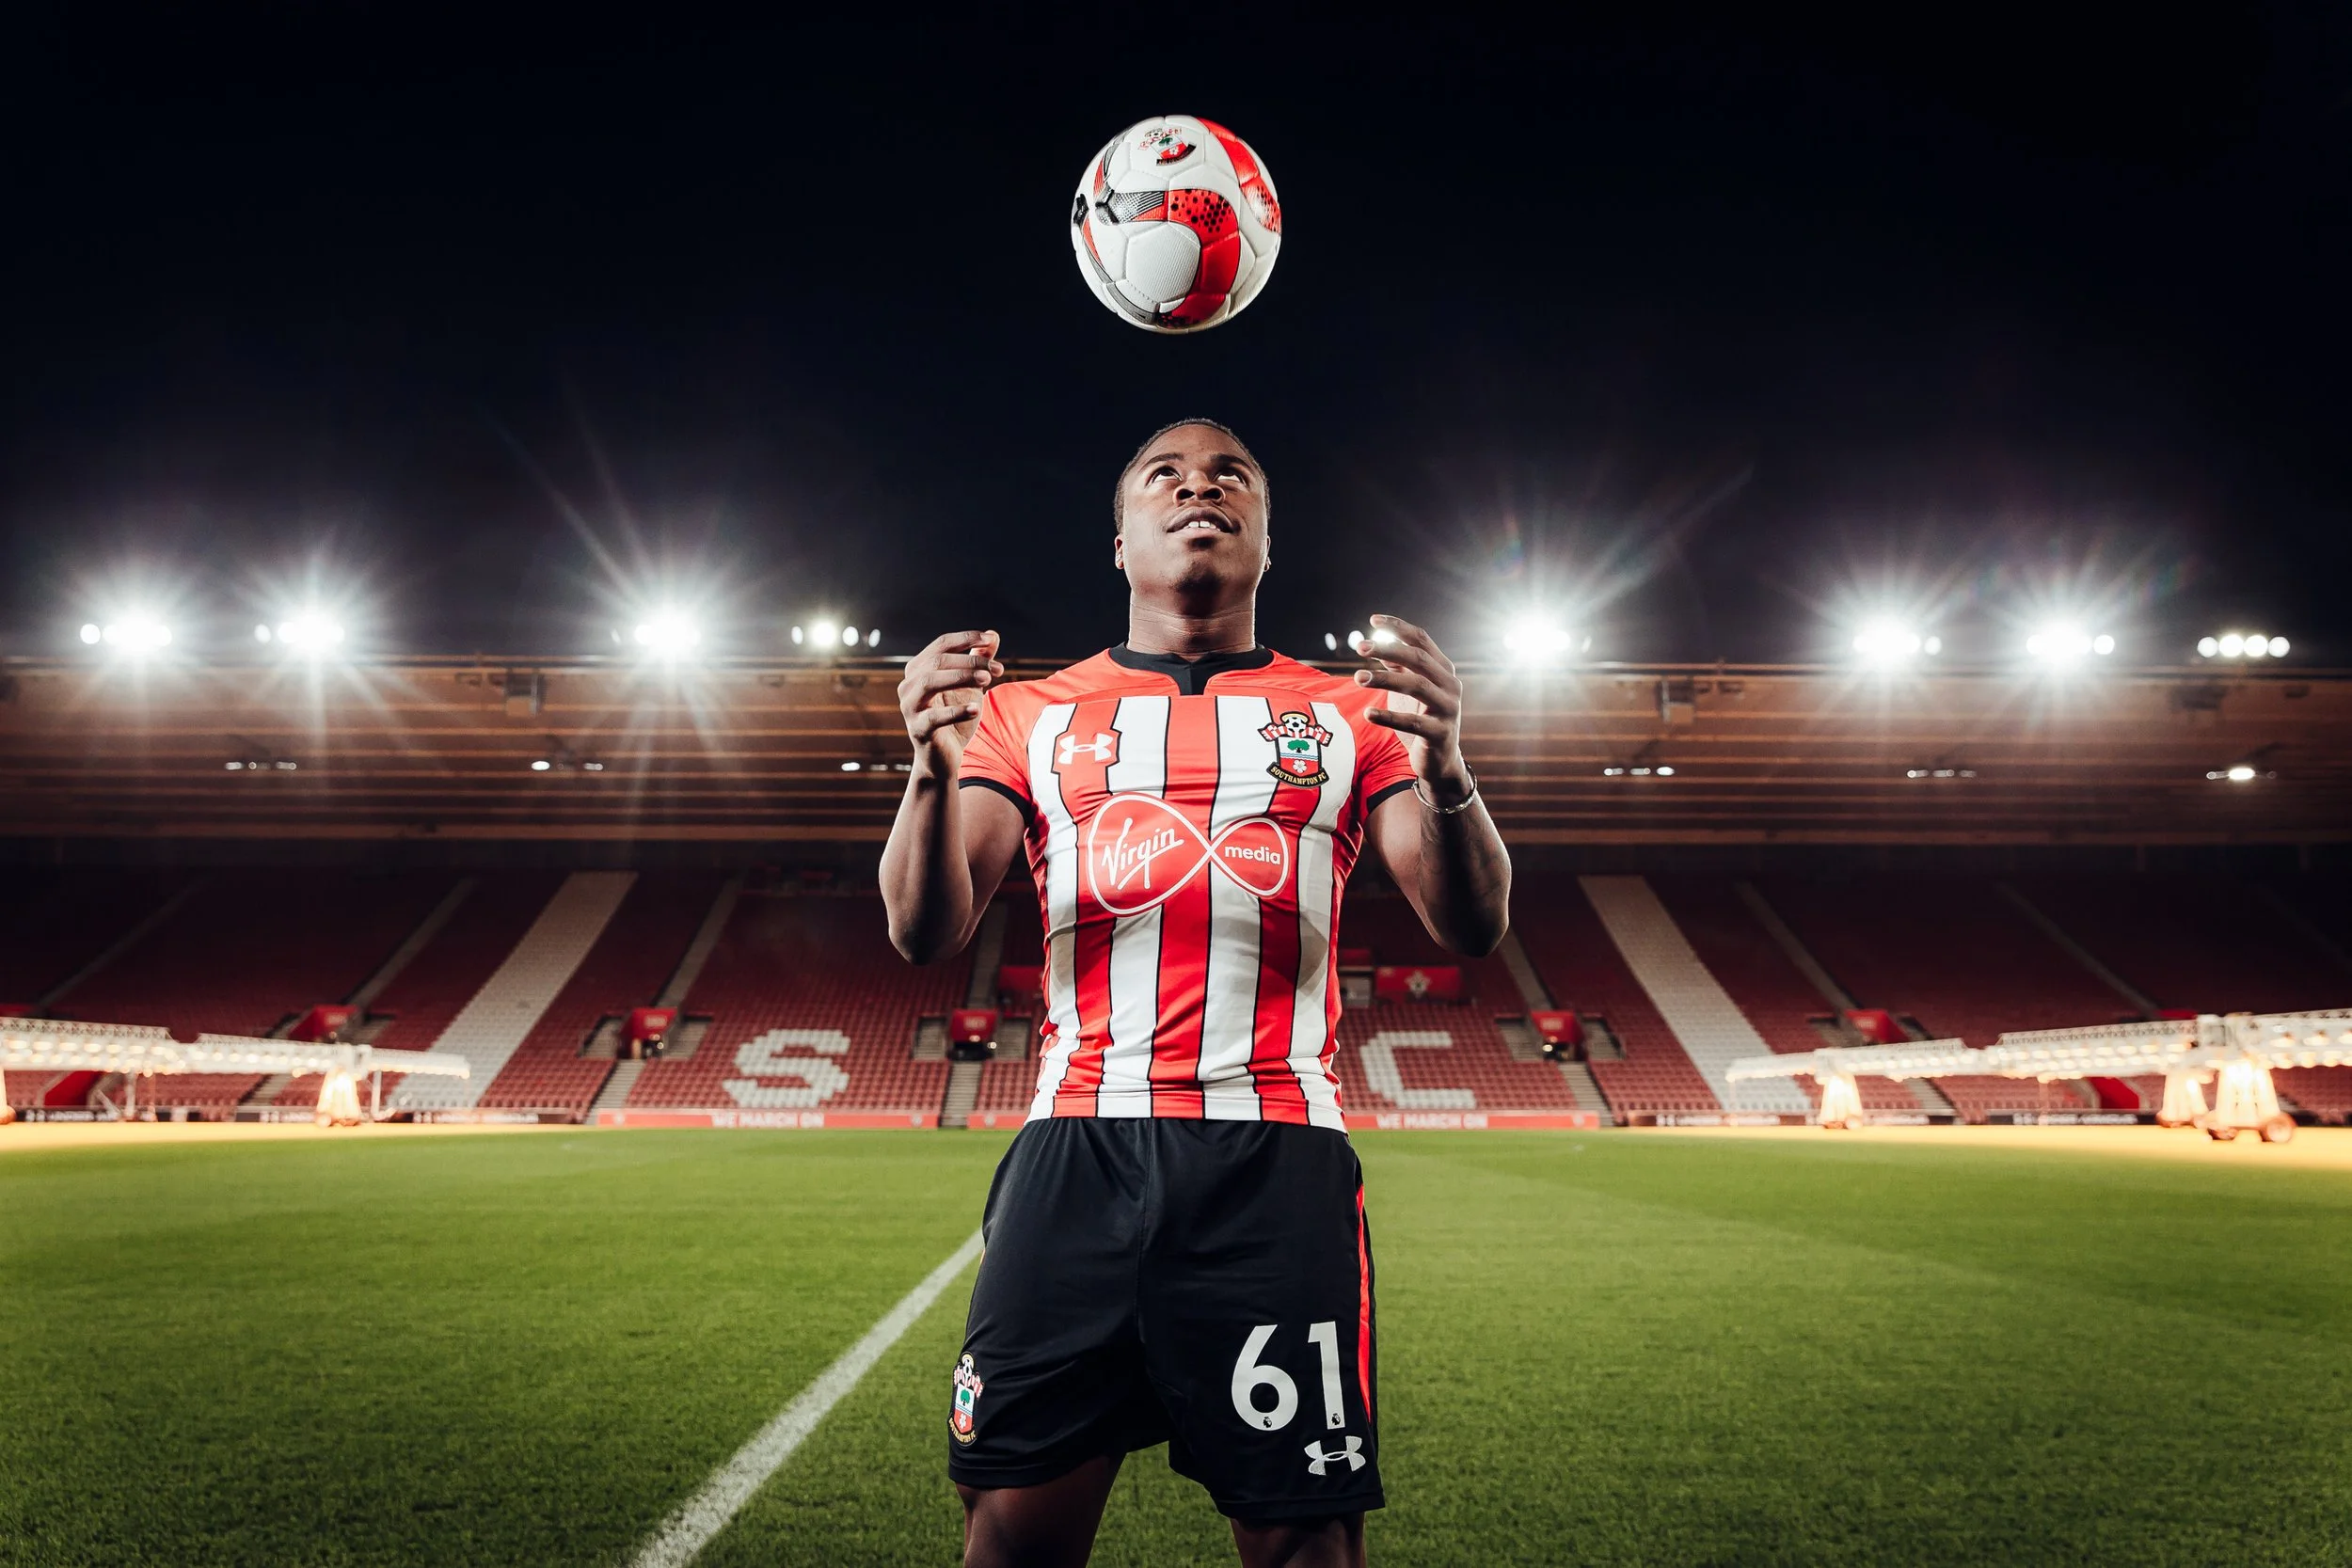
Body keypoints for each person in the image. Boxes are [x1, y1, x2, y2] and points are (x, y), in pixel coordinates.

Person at [882, 420, 1511, 1568]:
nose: (1198, 487)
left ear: (1268, 537)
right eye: (1162, 477)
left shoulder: (1356, 712)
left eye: (1232, 476)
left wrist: (1452, 768)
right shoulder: (1025, 714)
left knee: (1302, 1536)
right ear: (1118, 541)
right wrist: (926, 769)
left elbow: (1470, 921)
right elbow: (925, 929)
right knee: (1012, 1532)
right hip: (1077, 1151)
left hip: (1273, 1160)